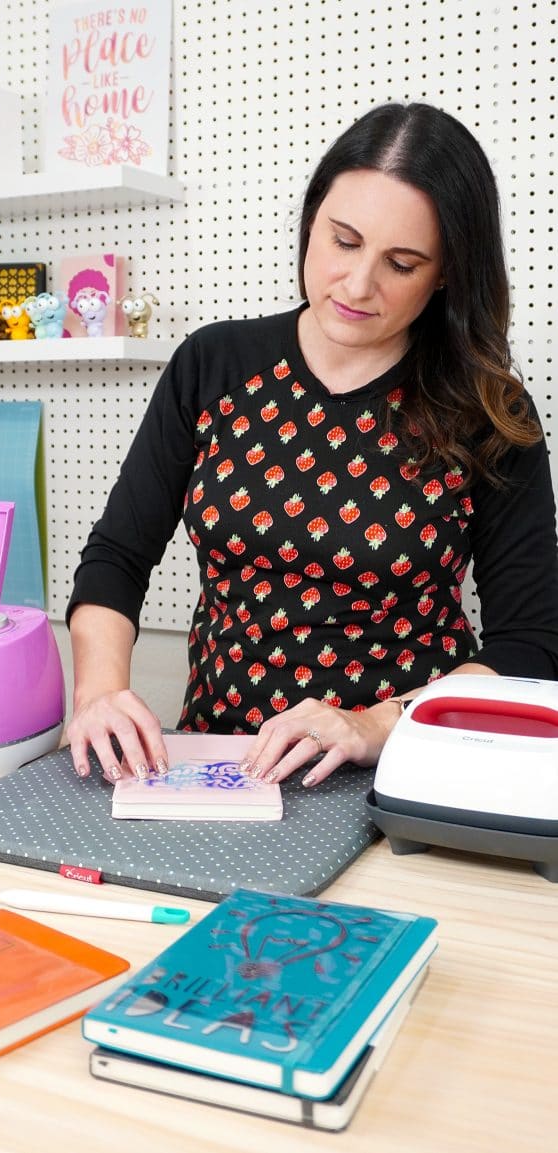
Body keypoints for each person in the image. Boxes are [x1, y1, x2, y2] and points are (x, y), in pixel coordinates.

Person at [65, 101, 558, 789]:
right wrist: (98, 692)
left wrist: (372, 724)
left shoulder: (490, 412)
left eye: (403, 263)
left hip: (407, 769)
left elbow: (529, 645)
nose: (358, 286)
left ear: (445, 273)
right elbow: (116, 560)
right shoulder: (213, 366)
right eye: (344, 242)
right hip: (220, 769)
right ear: (311, 221)